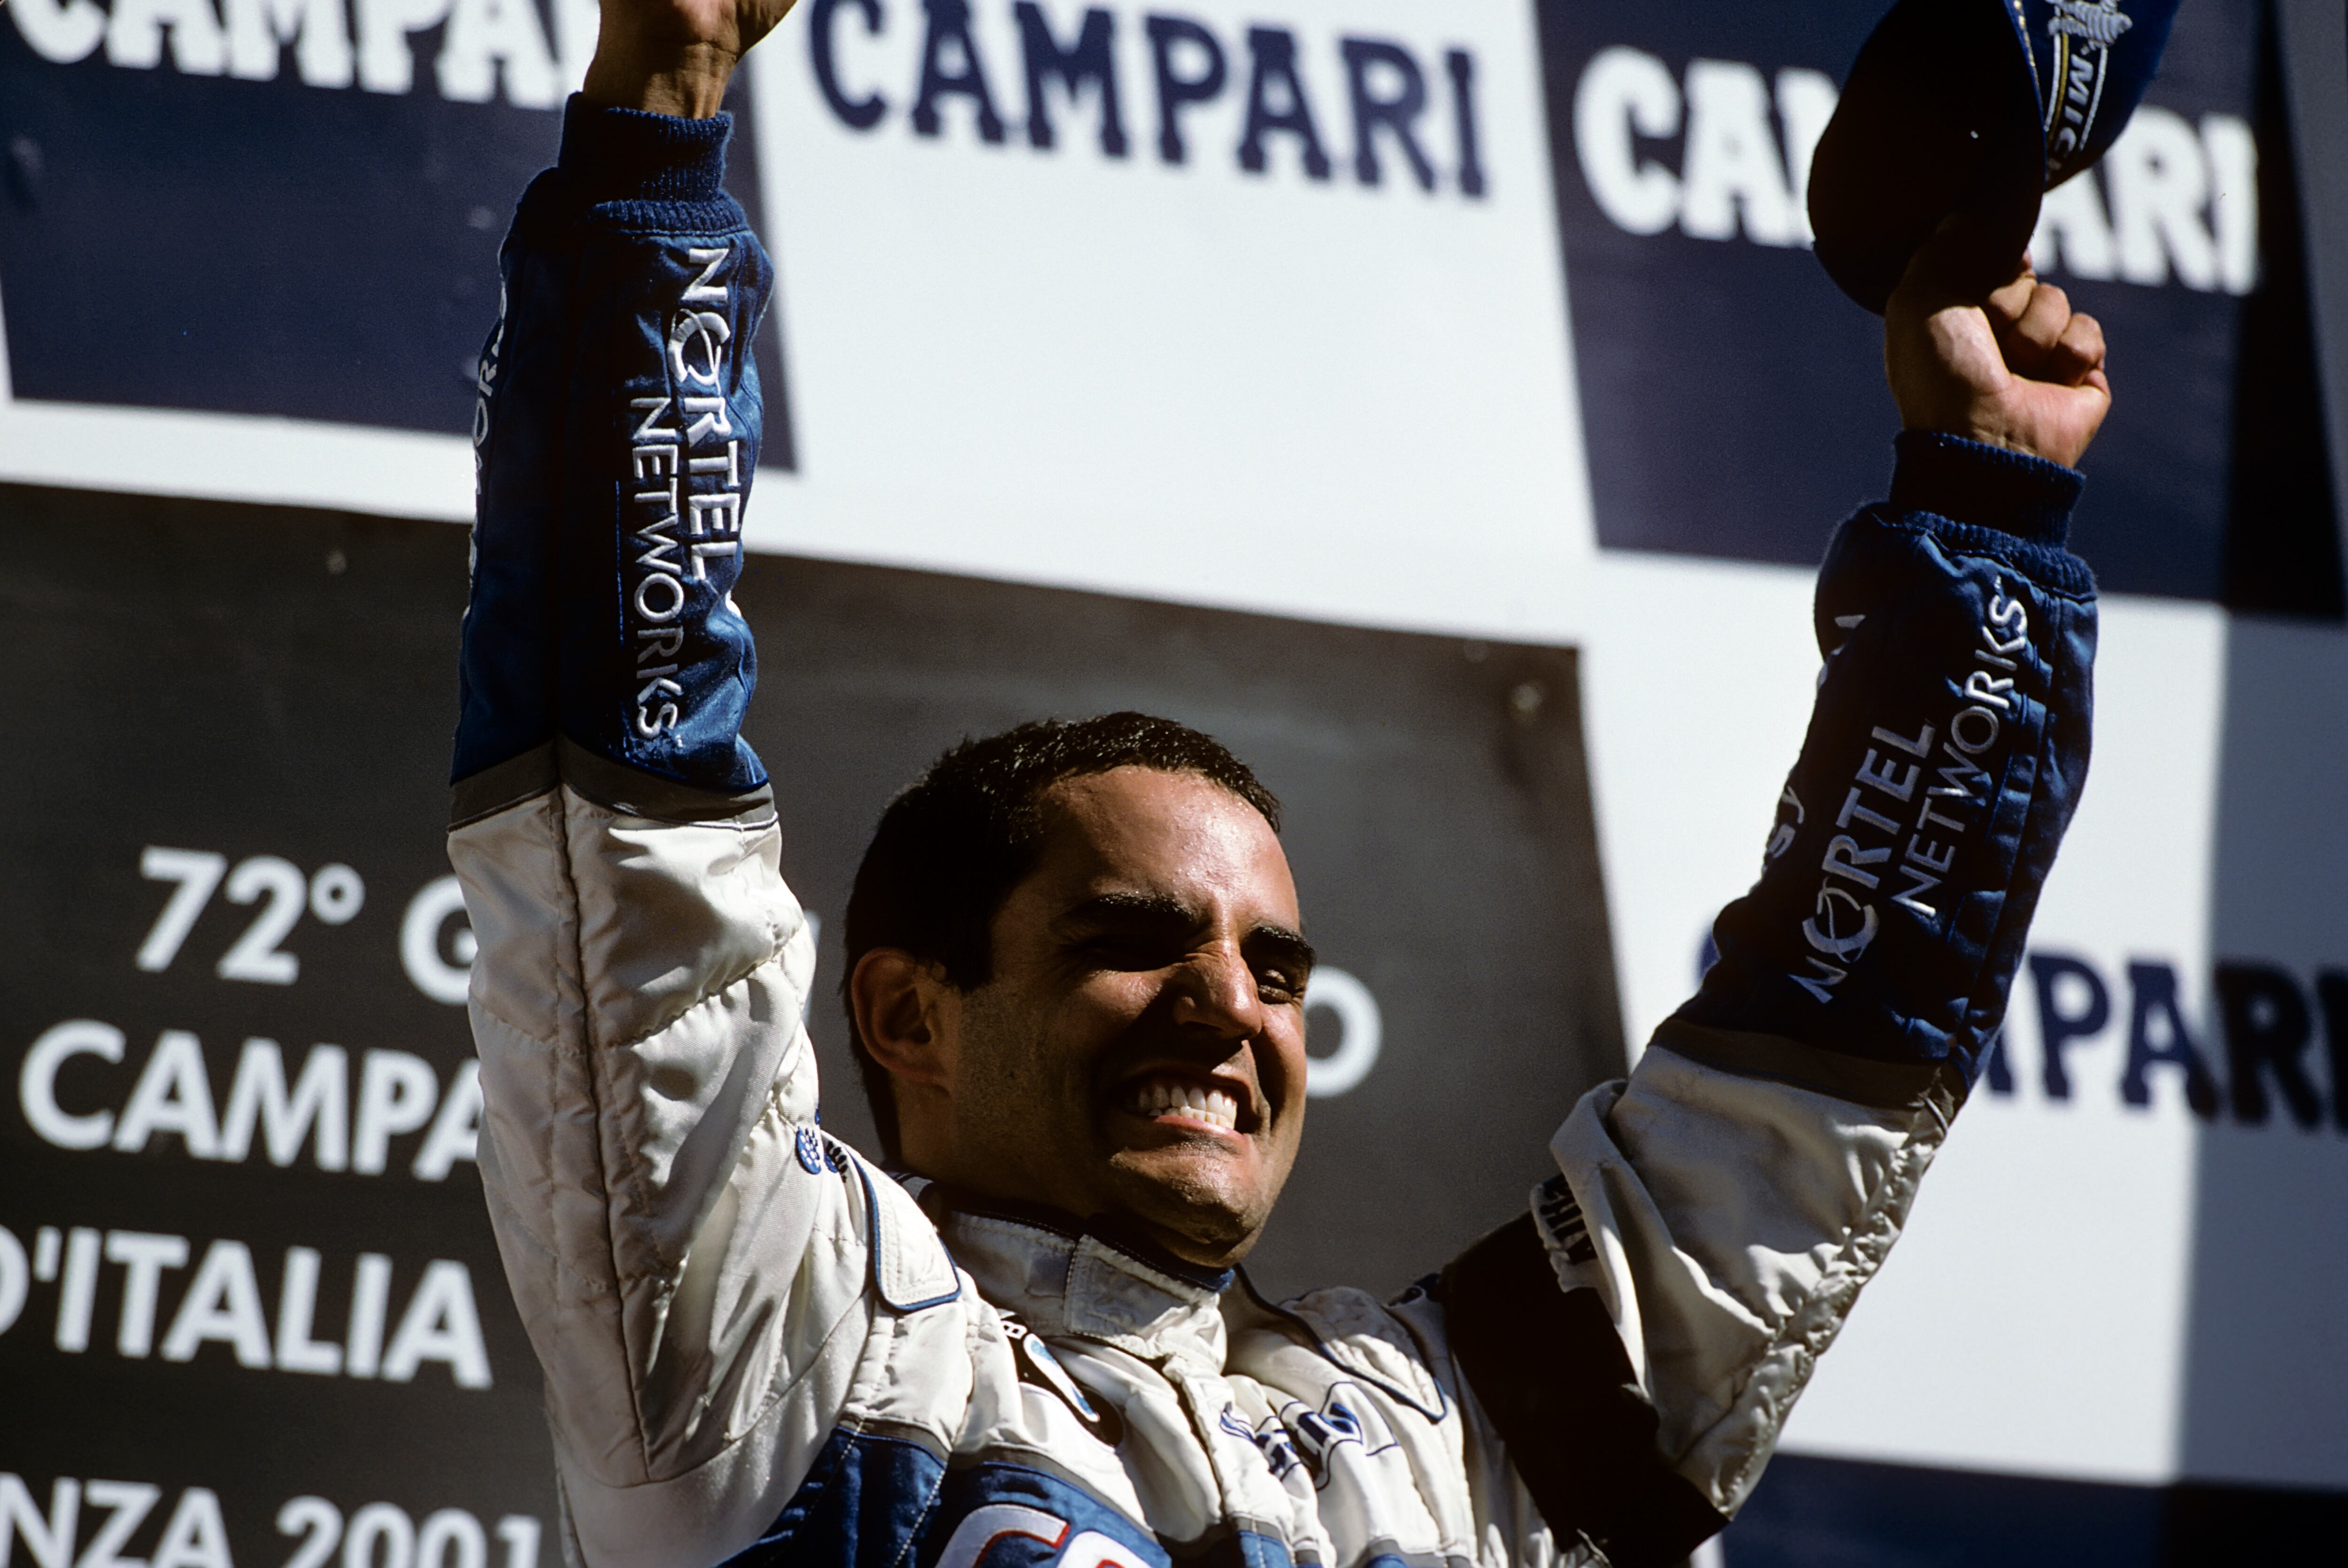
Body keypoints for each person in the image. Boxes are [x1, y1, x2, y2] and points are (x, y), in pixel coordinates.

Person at [444, 1, 2109, 1564]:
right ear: (905, 1013)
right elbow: (626, 823)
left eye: (1277, 967)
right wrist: (663, 107)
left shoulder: (1444, 1447)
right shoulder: (772, 1335)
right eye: (1132, 938)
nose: (1227, 1008)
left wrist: (1984, 510)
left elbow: (1804, 1092)